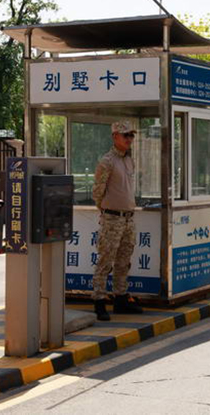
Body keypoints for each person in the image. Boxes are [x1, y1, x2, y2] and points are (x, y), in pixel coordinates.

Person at [91, 121, 143, 321]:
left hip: (128, 218)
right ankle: (99, 301)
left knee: (123, 261)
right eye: (125, 135)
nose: (129, 139)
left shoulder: (129, 160)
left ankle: (120, 299)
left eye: (131, 135)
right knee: (105, 261)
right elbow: (98, 191)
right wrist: (106, 211)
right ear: (115, 137)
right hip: (112, 218)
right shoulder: (107, 161)